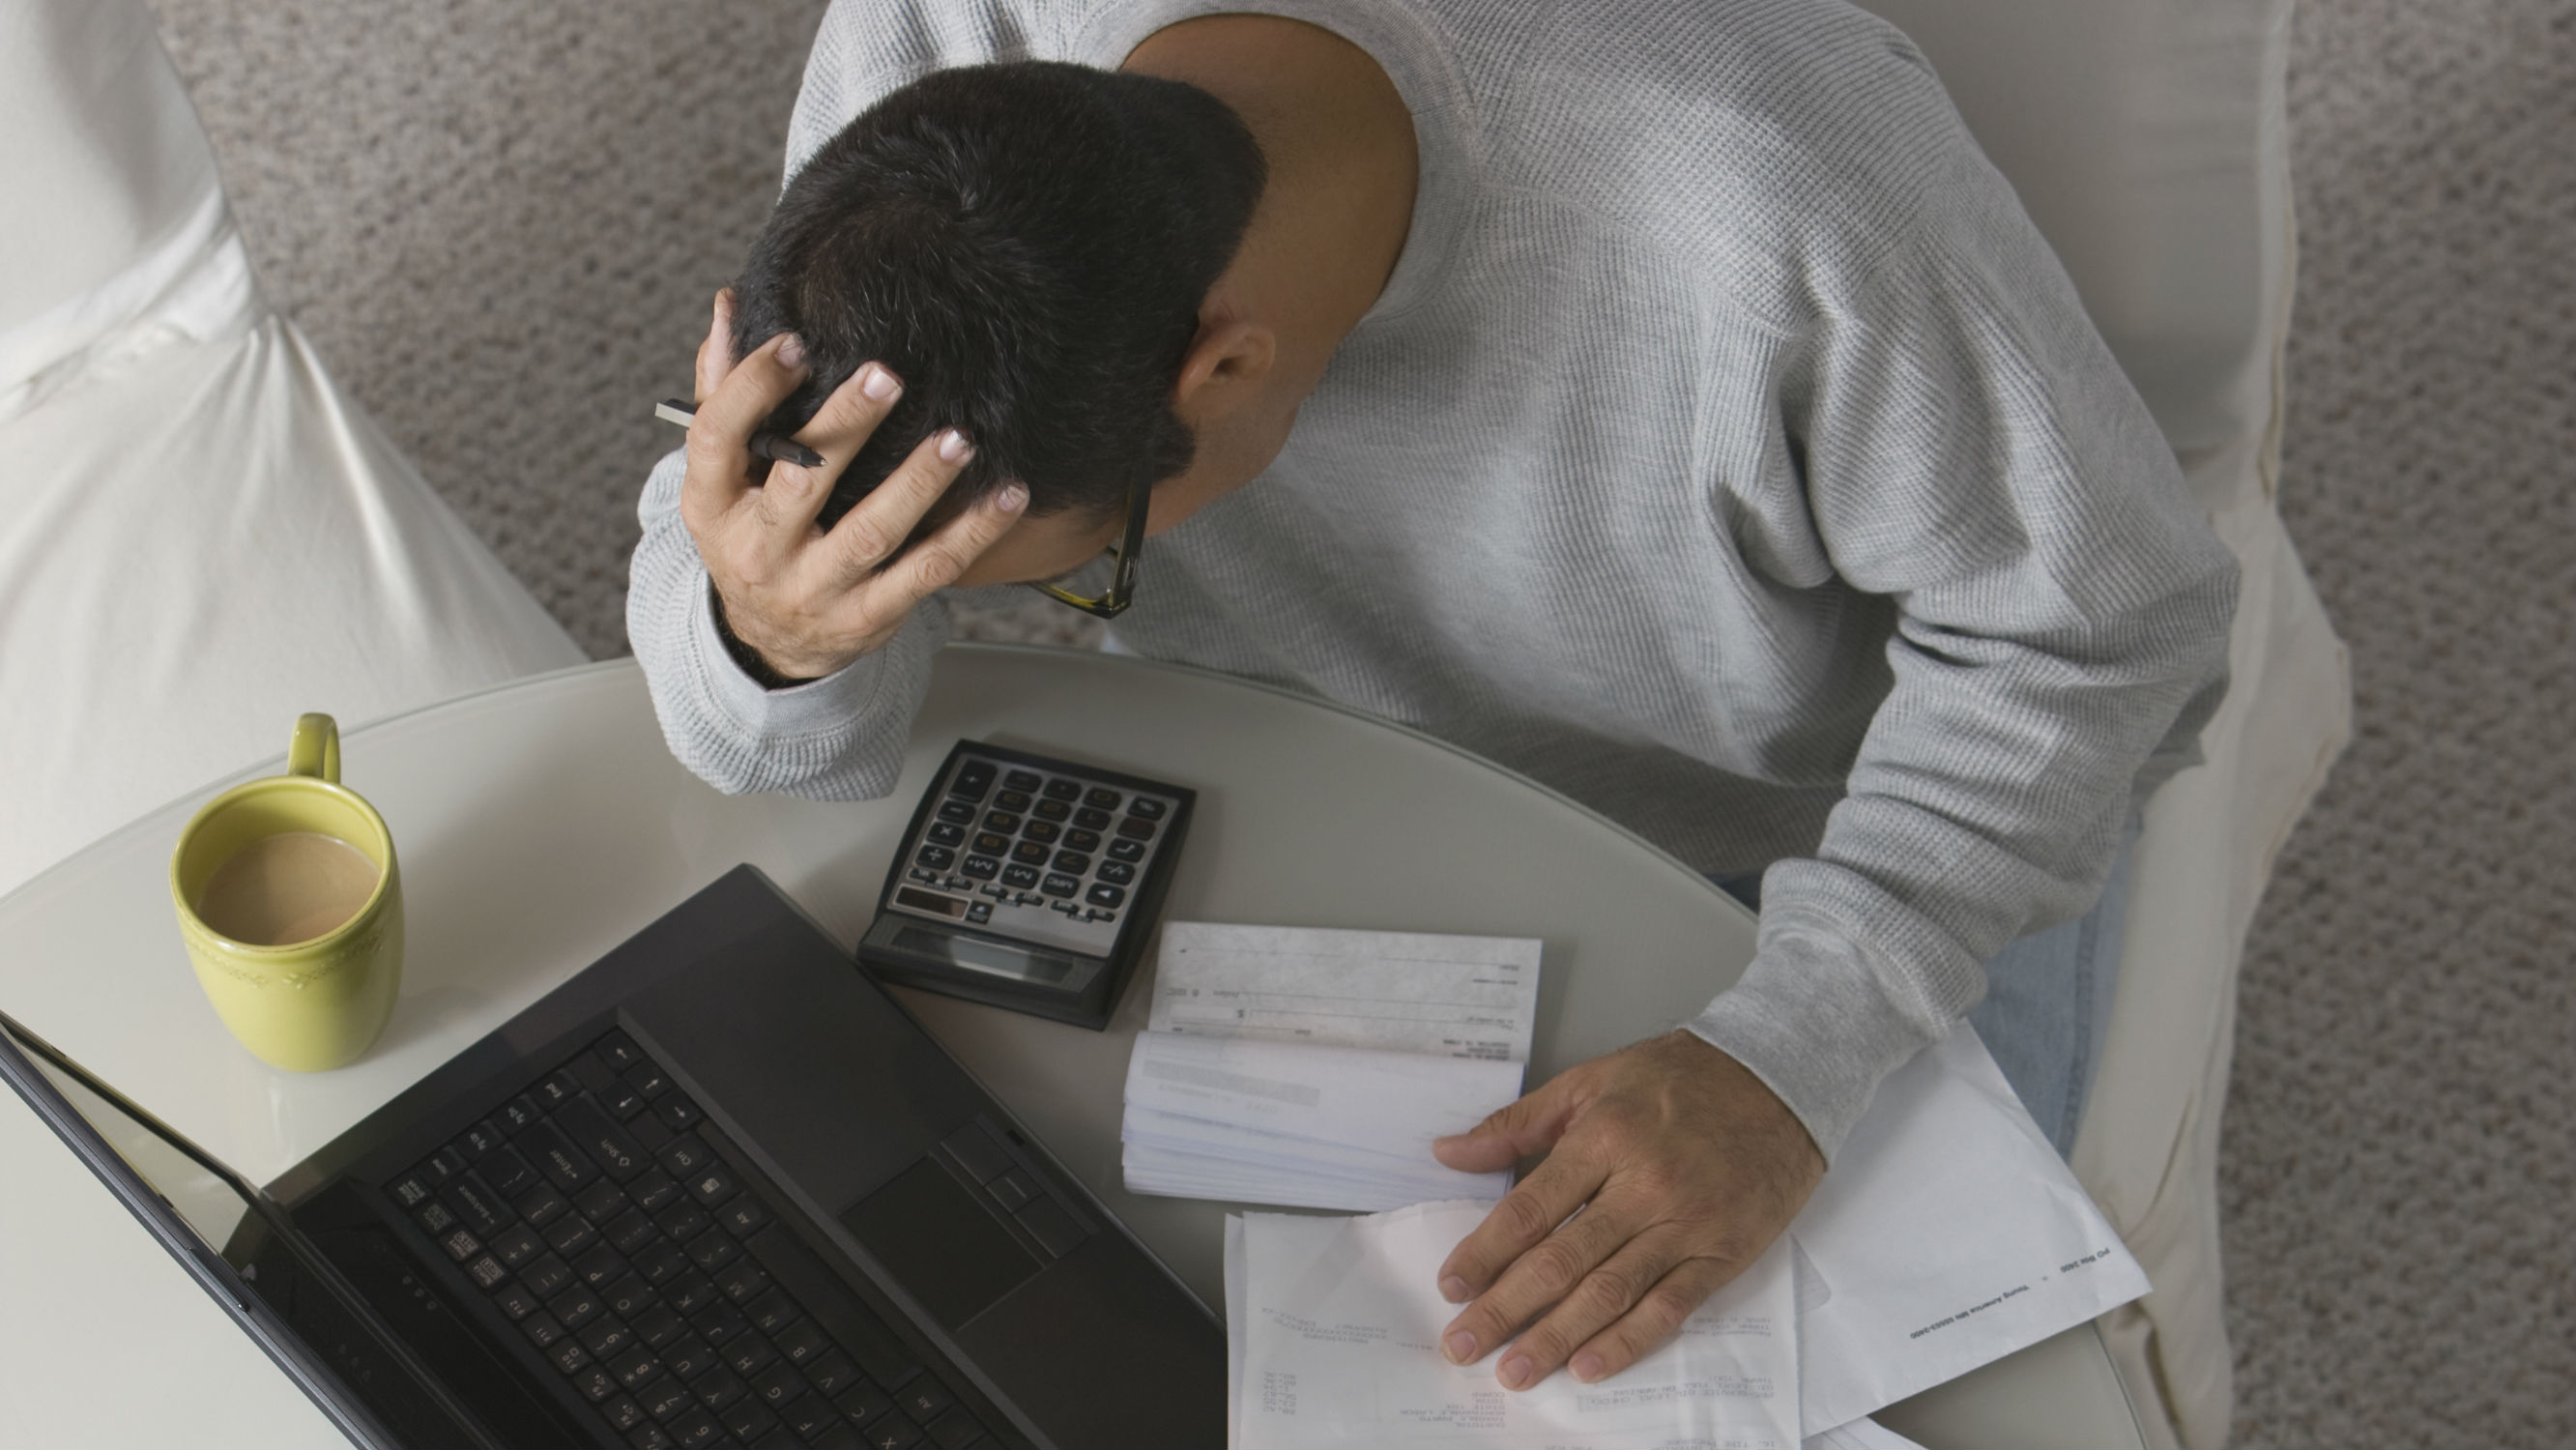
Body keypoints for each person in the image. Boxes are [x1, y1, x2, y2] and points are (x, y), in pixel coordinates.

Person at [629, 0, 2237, 1394]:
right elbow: (756, 671)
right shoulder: (949, 54)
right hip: (1316, 771)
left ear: (1224, 369)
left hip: (1834, 822)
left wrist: (1789, 1055)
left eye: (1072, 574)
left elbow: (2103, 631)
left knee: (1911, 1379)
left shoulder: (1772, 194)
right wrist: (771, 632)